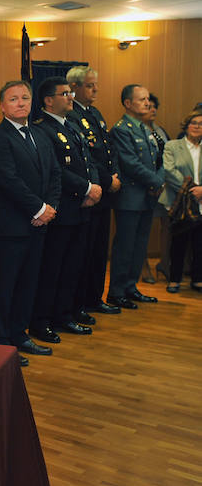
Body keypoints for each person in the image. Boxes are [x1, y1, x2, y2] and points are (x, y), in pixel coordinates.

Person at [0, 80, 61, 366]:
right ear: (2, 106)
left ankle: (20, 334)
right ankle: (0, 344)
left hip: (38, 224)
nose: (21, 103)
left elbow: (55, 174)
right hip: (10, 227)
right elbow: (8, 180)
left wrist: (50, 207)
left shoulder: (40, 134)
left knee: (29, 284)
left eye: (25, 98)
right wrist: (39, 208)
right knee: (5, 287)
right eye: (14, 99)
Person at [29, 77, 101, 343]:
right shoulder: (43, 130)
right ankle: (42, 321)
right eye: (65, 93)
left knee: (73, 266)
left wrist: (92, 187)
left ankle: (65, 314)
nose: (71, 97)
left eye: (71, 92)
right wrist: (85, 189)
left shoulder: (71, 126)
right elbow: (57, 170)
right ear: (48, 100)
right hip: (62, 210)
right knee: (53, 268)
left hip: (81, 208)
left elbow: (88, 160)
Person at [67, 66, 122, 315]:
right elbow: (86, 157)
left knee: (100, 251)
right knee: (85, 253)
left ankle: (95, 297)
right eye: (90, 85)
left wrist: (115, 175)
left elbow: (108, 148)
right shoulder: (72, 115)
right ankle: (80, 302)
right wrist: (106, 180)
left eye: (95, 84)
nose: (95, 89)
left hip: (105, 190)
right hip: (91, 192)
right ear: (75, 88)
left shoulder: (95, 113)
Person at [106, 84, 165, 309]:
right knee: (125, 246)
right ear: (128, 103)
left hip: (148, 196)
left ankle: (131, 287)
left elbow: (159, 159)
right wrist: (156, 181)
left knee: (140, 246)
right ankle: (117, 291)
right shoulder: (122, 129)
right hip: (130, 197)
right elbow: (130, 164)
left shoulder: (145, 128)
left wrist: (157, 180)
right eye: (142, 99)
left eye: (148, 99)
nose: (147, 103)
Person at [159, 110, 202, 293]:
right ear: (186, 125)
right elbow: (169, 170)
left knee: (200, 243)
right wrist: (192, 189)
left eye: (201, 124)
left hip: (201, 201)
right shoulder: (172, 146)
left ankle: (198, 279)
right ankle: (174, 279)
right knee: (178, 242)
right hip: (179, 200)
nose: (197, 126)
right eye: (193, 123)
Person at [141, 93, 172, 283]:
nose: (152, 110)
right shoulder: (133, 131)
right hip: (144, 186)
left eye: (155, 107)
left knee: (168, 225)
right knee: (144, 227)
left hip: (164, 186)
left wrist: (162, 182)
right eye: (148, 106)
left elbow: (169, 159)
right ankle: (143, 266)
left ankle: (165, 263)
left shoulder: (161, 131)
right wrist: (152, 182)